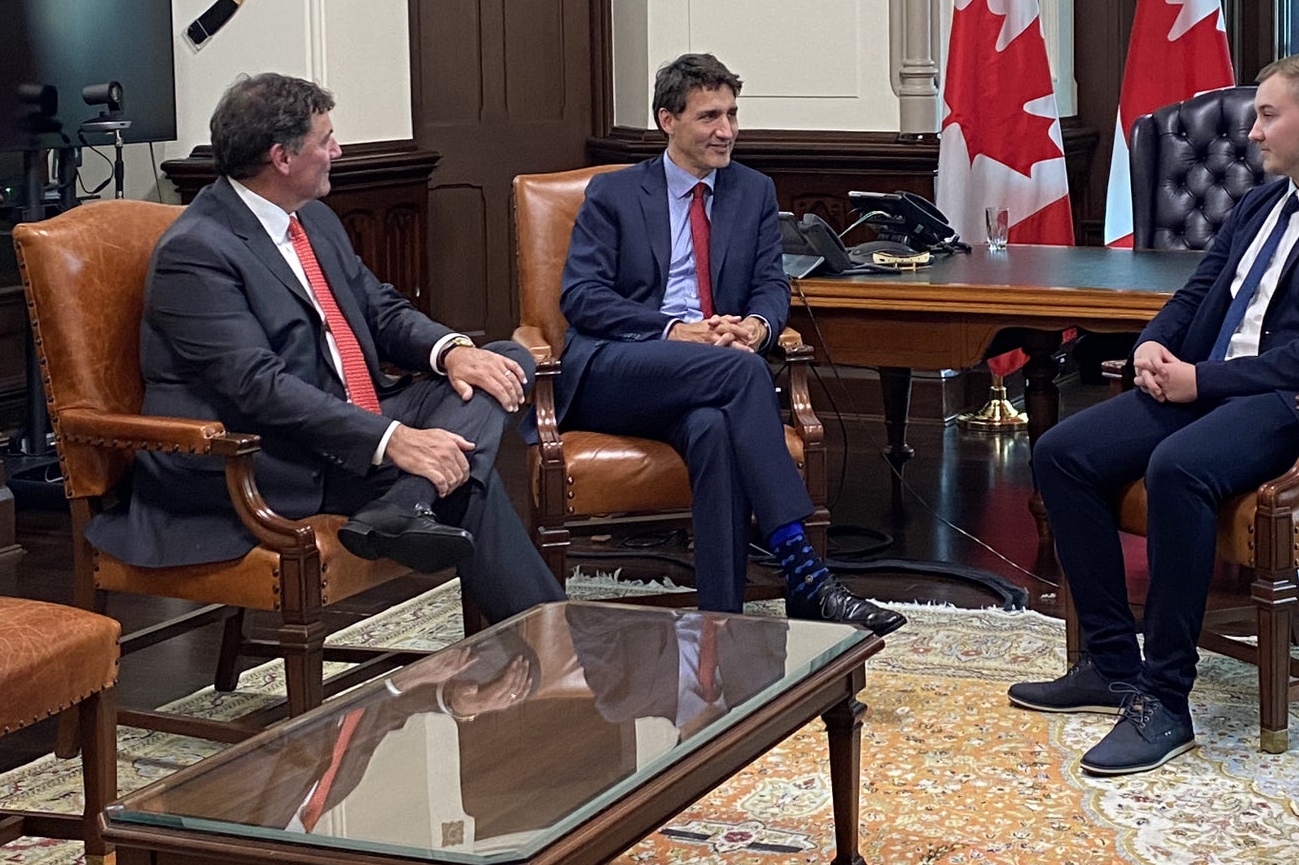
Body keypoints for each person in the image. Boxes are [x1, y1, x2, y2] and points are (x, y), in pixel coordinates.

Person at [1008, 53, 1299, 775]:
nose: (1252, 131)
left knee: (1178, 468)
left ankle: (1165, 699)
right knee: (1061, 453)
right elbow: (1199, 292)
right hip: (1218, 387)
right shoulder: (1262, 204)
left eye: (1268, 114)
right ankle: (1112, 664)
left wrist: (1205, 380)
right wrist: (1153, 348)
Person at [88, 73, 564, 625]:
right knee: (465, 483)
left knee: (505, 358)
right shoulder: (196, 252)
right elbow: (258, 388)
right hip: (265, 452)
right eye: (325, 140)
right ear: (281, 158)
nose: (338, 151)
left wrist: (452, 351)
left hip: (347, 418)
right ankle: (551, 643)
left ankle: (405, 504)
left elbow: (380, 309)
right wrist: (391, 440)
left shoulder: (312, 217)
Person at [554, 52, 904, 636]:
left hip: (709, 370)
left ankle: (722, 628)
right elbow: (582, 298)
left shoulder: (752, 190)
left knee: (713, 429)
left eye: (733, 115)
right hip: (619, 368)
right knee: (742, 375)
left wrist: (759, 328)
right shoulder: (614, 195)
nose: (727, 131)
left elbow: (771, 283)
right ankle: (805, 569)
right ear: (668, 121)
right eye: (709, 116)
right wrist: (673, 329)